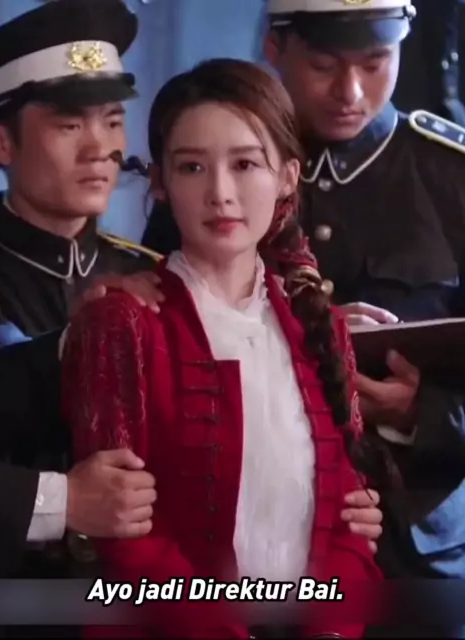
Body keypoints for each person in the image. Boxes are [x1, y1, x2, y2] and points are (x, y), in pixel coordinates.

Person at [140, 0, 465, 613]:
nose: (350, 92)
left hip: (417, 553)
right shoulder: (217, 169)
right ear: (275, 48)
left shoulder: (450, 174)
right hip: (247, 544)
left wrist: (421, 414)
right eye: (323, 65)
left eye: (375, 62)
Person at [62, 57, 381, 640]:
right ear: (160, 183)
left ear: (288, 176)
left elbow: (353, 522)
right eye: (192, 167)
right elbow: (125, 537)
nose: (220, 194)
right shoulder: (124, 322)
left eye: (245, 164)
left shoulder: (319, 326)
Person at [0, 0, 161, 609]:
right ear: (1, 142)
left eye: (112, 121)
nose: (99, 148)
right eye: (69, 126)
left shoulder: (153, 274)